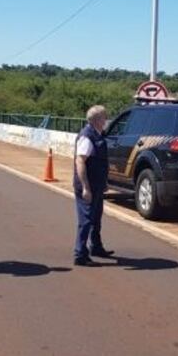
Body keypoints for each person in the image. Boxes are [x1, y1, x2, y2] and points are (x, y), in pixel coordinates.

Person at [73, 105, 114, 266]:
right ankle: (80, 254)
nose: (106, 120)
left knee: (96, 218)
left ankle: (96, 247)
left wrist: (103, 183)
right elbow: (80, 161)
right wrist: (85, 187)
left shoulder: (98, 135)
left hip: (97, 184)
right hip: (88, 186)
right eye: (104, 117)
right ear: (97, 120)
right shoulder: (87, 137)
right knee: (86, 219)